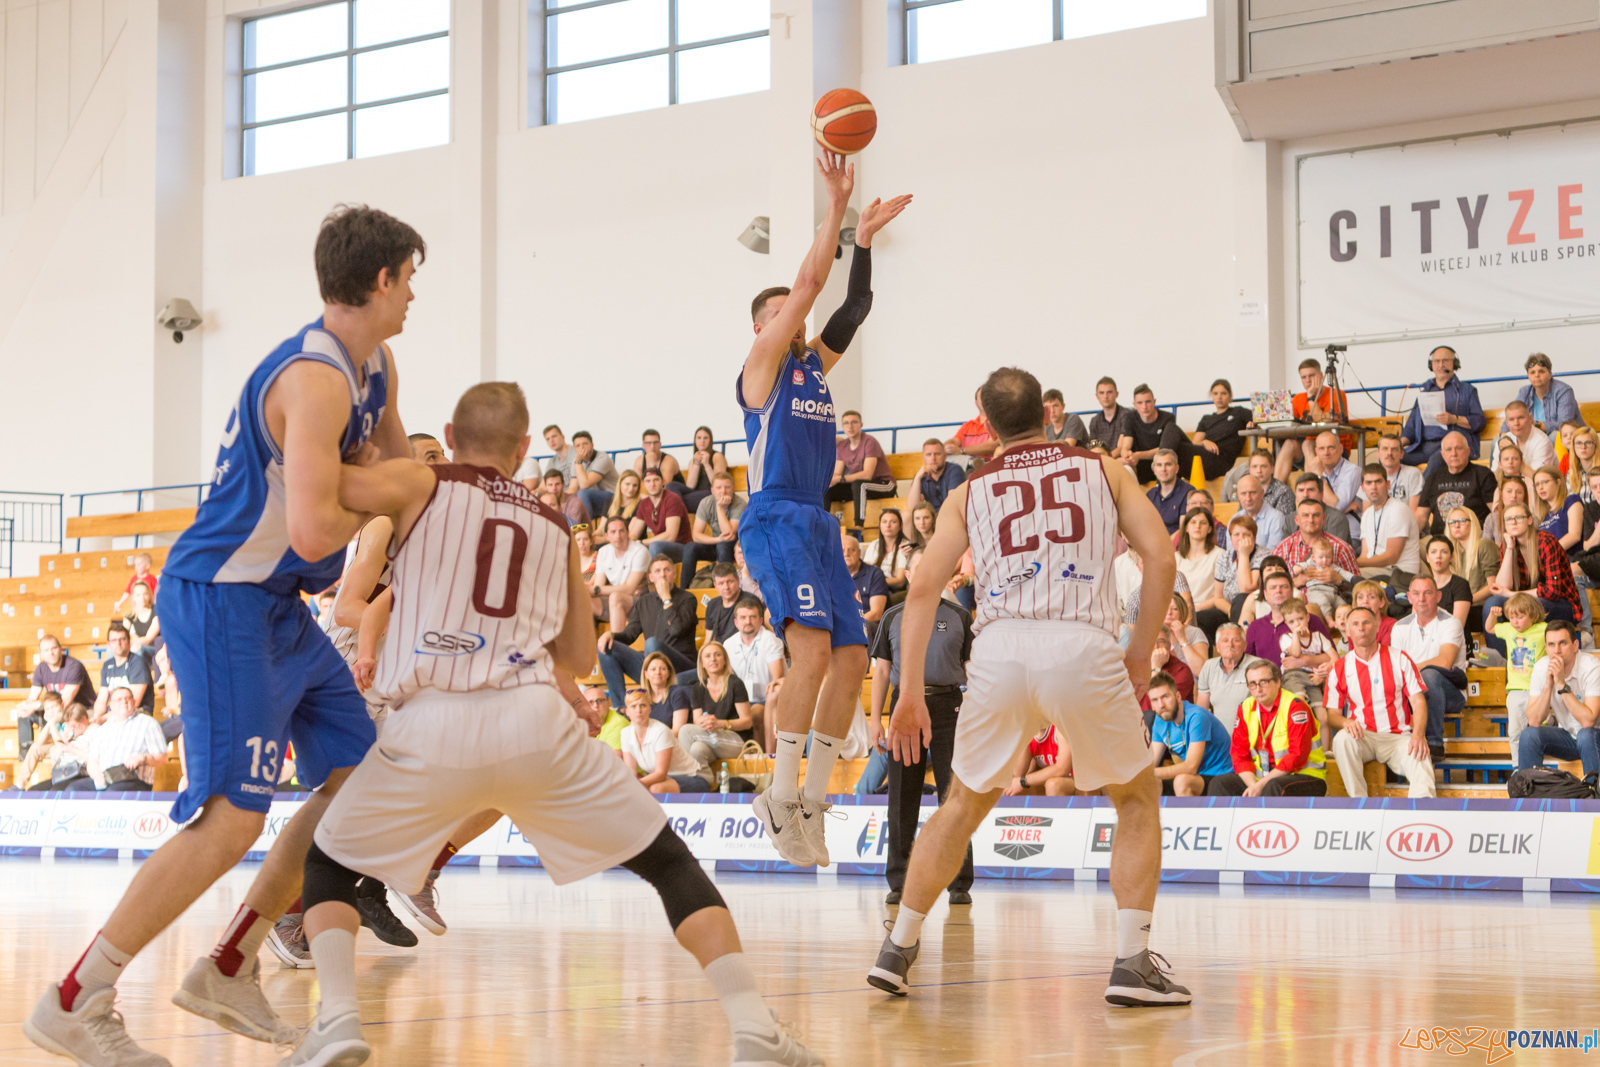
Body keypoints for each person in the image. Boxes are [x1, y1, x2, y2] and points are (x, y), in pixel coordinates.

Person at [276, 381, 819, 1067]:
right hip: (533, 717)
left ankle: (340, 1021)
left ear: (449, 432)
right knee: (669, 864)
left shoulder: (420, 483)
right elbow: (576, 656)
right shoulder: (555, 523)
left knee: (327, 862)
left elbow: (329, 492)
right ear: (526, 448)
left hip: (432, 716)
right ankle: (754, 1030)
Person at [25, 205, 422, 1065]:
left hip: (279, 601)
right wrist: (390, 486)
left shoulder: (377, 363)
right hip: (222, 595)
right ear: (382, 278)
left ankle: (230, 962)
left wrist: (401, 488)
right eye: (410, 278)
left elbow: (402, 479)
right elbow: (326, 527)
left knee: (361, 780)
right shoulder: (312, 379)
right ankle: (73, 996)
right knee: (231, 817)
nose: (413, 295)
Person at [866, 366, 1190, 1008]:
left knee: (960, 806)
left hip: (1002, 646)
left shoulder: (969, 488)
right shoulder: (1105, 468)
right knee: (1135, 799)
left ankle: (897, 948)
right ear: (1048, 413)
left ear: (983, 420)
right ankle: (1132, 962)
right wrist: (1135, 653)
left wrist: (906, 695)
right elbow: (1160, 556)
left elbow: (924, 589)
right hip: (1081, 641)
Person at [736, 155, 909, 867]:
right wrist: (836, 206)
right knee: (807, 652)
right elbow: (810, 284)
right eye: (779, 315)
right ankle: (776, 796)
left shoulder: (813, 367)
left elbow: (853, 307)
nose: (794, 316)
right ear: (762, 328)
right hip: (774, 515)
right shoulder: (761, 370)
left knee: (851, 657)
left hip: (816, 518)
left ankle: (811, 799)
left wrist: (862, 242)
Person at [867, 567, 974, 906]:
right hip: (905, 708)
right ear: (910, 574)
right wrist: (875, 719)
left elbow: (972, 669)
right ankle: (899, 880)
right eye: (921, 568)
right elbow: (881, 669)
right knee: (901, 795)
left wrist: (975, 714)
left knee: (954, 796)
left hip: (949, 706)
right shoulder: (892, 616)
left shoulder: (959, 616)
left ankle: (959, 882)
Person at [1326, 607, 1436, 798]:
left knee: (1420, 751)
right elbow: (1332, 715)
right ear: (1348, 631)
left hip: (1398, 737)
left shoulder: (1399, 658)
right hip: (1363, 736)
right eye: (1356, 624)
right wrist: (1345, 723)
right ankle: (1360, 805)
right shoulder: (1338, 668)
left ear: (1377, 627)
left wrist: (1418, 735)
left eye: (1367, 622)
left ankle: (1423, 812)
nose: (1362, 628)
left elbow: (1418, 703)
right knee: (1342, 739)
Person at [1206, 660, 1327, 797]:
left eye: (1264, 682)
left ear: (1277, 682)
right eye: (1253, 684)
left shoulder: (1294, 706)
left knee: (1272, 786)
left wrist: (1261, 786)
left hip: (1305, 776)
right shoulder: (1245, 707)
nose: (1258, 689)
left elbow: (1296, 757)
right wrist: (1254, 786)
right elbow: (1239, 754)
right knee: (1219, 783)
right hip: (1263, 778)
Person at [596, 555, 700, 709]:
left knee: (651, 643)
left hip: (681, 663)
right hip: (651, 668)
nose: (662, 574)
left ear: (674, 574)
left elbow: (676, 630)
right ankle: (620, 707)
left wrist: (666, 598)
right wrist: (610, 635)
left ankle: (657, 697)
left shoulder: (688, 599)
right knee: (606, 647)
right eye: (657, 571)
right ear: (651, 577)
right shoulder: (644, 602)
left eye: (667, 570)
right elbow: (629, 635)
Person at [1389, 574, 1467, 761]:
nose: (1421, 599)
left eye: (1427, 593)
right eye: (1416, 593)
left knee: (1430, 675)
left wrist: (1412, 668)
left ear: (1438, 596)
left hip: (1450, 693)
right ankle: (1389, 748)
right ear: (1409, 597)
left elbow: (1445, 661)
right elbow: (1396, 669)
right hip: (1412, 692)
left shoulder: (1451, 622)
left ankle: (1434, 744)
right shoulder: (1399, 627)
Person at [1483, 503, 1583, 649]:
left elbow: (1552, 592)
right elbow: (1502, 587)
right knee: (1492, 604)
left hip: (1561, 605)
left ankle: (1533, 654)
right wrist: (1510, 548)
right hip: (1525, 602)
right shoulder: (1508, 545)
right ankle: (1499, 663)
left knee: (1535, 606)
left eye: (1518, 517)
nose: (1513, 522)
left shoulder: (1545, 541)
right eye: (1508, 519)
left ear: (1529, 520)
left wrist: (1511, 594)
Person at [1516, 621, 1600, 779]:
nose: (1557, 650)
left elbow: (1588, 722)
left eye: (1563, 643)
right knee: (1529, 735)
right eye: (1551, 644)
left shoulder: (1592, 667)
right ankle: (1529, 797)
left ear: (1575, 646)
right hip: (1569, 736)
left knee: (1585, 735)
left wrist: (1561, 684)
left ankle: (1594, 796)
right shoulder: (1541, 668)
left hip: (1595, 738)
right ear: (1546, 648)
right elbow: (1534, 720)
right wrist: (1548, 685)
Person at [1400, 346, 1485, 476]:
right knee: (1391, 456)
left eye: (1445, 360)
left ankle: (1421, 494)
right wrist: (1395, 445)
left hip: (1451, 448)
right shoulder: (1424, 392)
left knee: (1438, 459)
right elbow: (1411, 426)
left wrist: (1454, 419)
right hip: (1424, 447)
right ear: (1431, 365)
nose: (1441, 364)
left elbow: (1479, 421)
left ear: (1454, 363)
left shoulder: (1467, 390)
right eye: (1437, 361)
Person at [1147, 673, 1234, 796]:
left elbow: (1191, 767)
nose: (1161, 705)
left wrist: (1149, 773)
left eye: (1165, 697)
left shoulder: (1196, 716)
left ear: (1177, 696)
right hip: (1199, 776)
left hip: (1221, 776)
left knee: (1182, 781)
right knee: (1151, 783)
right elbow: (1151, 762)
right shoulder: (1160, 720)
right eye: (1155, 700)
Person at [1489, 594, 1548, 768]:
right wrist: (1493, 614)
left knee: (1538, 729)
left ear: (1533, 615)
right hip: (1514, 689)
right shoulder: (1508, 629)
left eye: (1520, 617)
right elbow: (1490, 628)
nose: (1515, 621)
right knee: (1515, 731)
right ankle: (1517, 767)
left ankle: (1538, 764)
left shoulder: (1543, 628)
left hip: (1537, 689)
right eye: (1512, 617)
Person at [15, 635, 98, 758]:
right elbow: (32, 697)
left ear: (60, 649)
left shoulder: (73, 666)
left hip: (78, 711)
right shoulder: (41, 669)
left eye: (54, 648)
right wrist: (25, 706)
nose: (51, 653)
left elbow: (65, 701)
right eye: (46, 650)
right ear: (41, 654)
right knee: (24, 714)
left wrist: (38, 705)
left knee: (52, 715)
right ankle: (26, 754)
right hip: (57, 711)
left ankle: (58, 750)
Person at [679, 641, 754, 775]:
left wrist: (722, 724)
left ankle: (684, 774)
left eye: (717, 655)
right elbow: (697, 720)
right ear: (702, 663)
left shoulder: (735, 683)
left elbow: (747, 722)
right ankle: (704, 780)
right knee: (697, 749)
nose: (712, 659)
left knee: (685, 731)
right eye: (707, 656)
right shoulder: (698, 687)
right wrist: (703, 722)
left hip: (737, 741)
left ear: (725, 660)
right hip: (710, 737)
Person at [1274, 359, 1352, 484]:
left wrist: (1311, 398)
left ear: (1321, 376)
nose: (1308, 380)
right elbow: (1286, 422)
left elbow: (1322, 420)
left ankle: (1313, 486)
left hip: (1334, 449)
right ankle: (1275, 490)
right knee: (1289, 443)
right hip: (1308, 452)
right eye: (1303, 377)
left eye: (1311, 376)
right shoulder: (1298, 399)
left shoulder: (1336, 394)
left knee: (1307, 443)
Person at [621, 688, 712, 793]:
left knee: (655, 789)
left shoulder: (661, 731)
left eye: (643, 705)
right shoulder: (625, 733)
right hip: (663, 779)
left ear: (650, 709)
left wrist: (635, 785)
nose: (638, 710)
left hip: (694, 777)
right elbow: (631, 771)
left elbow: (661, 773)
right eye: (633, 706)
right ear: (627, 711)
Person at [724, 597, 786, 752]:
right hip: (741, 701)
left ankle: (763, 758)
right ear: (736, 622)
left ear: (760, 620)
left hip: (769, 701)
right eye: (743, 618)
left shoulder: (770, 640)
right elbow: (727, 679)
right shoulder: (728, 644)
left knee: (756, 712)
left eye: (752, 617)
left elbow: (778, 678)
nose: (748, 621)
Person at [78, 687, 169, 792]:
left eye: (127, 698)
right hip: (104, 779)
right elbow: (93, 760)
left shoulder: (148, 723)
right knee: (74, 789)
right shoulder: (104, 728)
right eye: (119, 699)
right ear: (111, 705)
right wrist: (95, 773)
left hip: (133, 780)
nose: (124, 702)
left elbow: (162, 757)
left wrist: (143, 757)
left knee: (113, 793)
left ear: (134, 702)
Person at [1415, 433, 1498, 542]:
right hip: (1439, 540)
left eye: (1458, 448)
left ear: (1468, 451)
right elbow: (1421, 515)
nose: (1454, 453)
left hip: (1474, 538)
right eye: (1449, 449)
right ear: (1443, 454)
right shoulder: (1434, 477)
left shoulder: (1482, 474)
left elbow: (1496, 511)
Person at [1278, 497, 1358, 602]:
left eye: (1316, 515)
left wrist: (1339, 580)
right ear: (1297, 520)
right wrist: (1298, 581)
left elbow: (1360, 588)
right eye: (1305, 515)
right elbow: (1271, 587)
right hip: (1293, 611)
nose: (1311, 520)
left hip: (1332, 606)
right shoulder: (1282, 549)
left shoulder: (1342, 548)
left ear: (1324, 519)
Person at [826, 410, 897, 528]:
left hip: (884, 484)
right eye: (846, 423)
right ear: (842, 426)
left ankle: (859, 525)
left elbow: (867, 475)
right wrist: (832, 480)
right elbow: (837, 473)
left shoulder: (869, 442)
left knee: (860, 484)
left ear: (861, 425)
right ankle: (824, 524)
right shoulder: (842, 446)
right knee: (829, 489)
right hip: (860, 488)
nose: (850, 426)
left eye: (854, 422)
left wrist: (840, 478)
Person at [1198, 514, 1268, 633]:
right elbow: (1218, 597)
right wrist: (1231, 610)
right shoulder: (1224, 558)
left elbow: (1246, 589)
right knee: (1200, 619)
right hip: (1230, 610)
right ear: (1230, 538)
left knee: (1241, 599)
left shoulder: (1264, 556)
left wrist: (1244, 554)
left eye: (1246, 534)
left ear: (1254, 539)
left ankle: (1239, 647)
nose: (1241, 538)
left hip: (1255, 610)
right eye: (1236, 535)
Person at [1355, 464, 1420, 589]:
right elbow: (1365, 555)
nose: (1373, 487)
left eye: (1378, 481)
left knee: (1350, 576)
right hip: (1378, 570)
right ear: (1363, 488)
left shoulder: (1398, 509)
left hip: (1399, 574)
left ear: (1387, 484)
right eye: (1368, 483)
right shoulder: (1367, 514)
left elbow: (1391, 557)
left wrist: (1352, 563)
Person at [1195, 623, 1263, 734]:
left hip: (1251, 737)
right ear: (1217, 646)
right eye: (1225, 640)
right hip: (1220, 740)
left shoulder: (1258, 666)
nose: (1230, 645)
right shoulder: (1208, 666)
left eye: (1236, 640)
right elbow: (1201, 711)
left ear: (1245, 645)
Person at [16, 699, 94, 791]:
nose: (72, 729)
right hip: (63, 771)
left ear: (84, 719)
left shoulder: (93, 732)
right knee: (32, 791)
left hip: (79, 773)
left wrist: (71, 749)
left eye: (74, 726)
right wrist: (62, 743)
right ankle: (19, 785)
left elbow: (94, 759)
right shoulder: (70, 732)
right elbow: (55, 757)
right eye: (69, 725)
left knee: (54, 792)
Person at [1301, 431, 1362, 546]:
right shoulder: (1315, 470)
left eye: (1331, 448)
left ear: (1340, 449)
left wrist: (1319, 476)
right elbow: (1305, 507)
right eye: (1321, 449)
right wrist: (1344, 508)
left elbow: (1337, 507)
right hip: (1320, 536)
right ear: (1316, 452)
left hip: (1349, 537)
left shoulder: (1353, 471)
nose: (1326, 453)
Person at [684, 470, 745, 585]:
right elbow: (696, 535)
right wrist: (717, 540)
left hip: (734, 546)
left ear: (733, 489)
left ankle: (725, 584)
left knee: (723, 545)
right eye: (719, 488)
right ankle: (685, 590)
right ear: (712, 490)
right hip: (717, 542)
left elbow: (728, 534)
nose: (723, 491)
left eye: (727, 487)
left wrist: (720, 508)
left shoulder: (739, 503)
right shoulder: (705, 502)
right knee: (690, 548)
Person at [1445, 506, 1500, 629]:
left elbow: (1493, 585)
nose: (1456, 525)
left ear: (1472, 522)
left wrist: (1465, 601)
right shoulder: (1452, 552)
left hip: (1481, 606)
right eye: (1452, 522)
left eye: (1462, 521)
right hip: (1463, 606)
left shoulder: (1484, 545)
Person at [592, 515, 649, 632]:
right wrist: (591, 590)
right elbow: (598, 584)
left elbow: (629, 588)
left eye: (621, 531)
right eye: (613, 532)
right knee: (583, 598)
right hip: (615, 602)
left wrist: (597, 589)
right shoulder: (603, 552)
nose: (618, 536)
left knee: (616, 597)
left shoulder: (640, 551)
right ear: (606, 536)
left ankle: (617, 647)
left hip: (640, 603)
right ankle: (586, 647)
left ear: (627, 533)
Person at [1191, 379, 1252, 483]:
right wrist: (1204, 442)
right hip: (1202, 458)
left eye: (1223, 393)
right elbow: (1194, 443)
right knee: (1173, 433)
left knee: (1173, 432)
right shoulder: (1206, 419)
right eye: (1215, 393)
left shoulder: (1239, 412)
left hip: (1221, 460)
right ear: (1212, 396)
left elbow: (1260, 420)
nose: (1219, 397)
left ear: (1230, 396)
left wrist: (1252, 424)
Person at [1128, 385, 1191, 484]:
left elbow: (1165, 449)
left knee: (1169, 458)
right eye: (1140, 403)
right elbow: (1124, 445)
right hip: (1141, 466)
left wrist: (1138, 455)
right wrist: (1128, 455)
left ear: (1154, 402)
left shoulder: (1168, 418)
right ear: (1134, 405)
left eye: (1148, 401)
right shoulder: (1129, 418)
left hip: (1163, 464)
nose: (1144, 406)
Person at [632, 468, 693, 569]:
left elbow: (670, 536)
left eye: (656, 480)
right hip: (659, 546)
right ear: (643, 484)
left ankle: (657, 582)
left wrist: (642, 543)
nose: (652, 484)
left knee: (655, 546)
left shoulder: (672, 499)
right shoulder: (644, 504)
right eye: (648, 481)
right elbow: (634, 533)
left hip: (682, 548)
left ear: (663, 482)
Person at [94, 623, 156, 722]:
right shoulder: (107, 666)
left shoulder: (138, 663)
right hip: (113, 715)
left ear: (129, 642)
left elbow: (133, 703)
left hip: (136, 714)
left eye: (122, 639)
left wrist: (104, 719)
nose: (118, 643)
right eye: (114, 640)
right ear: (108, 644)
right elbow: (101, 699)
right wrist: (96, 717)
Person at [1174, 509, 1221, 639]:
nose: (1197, 526)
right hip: (1179, 611)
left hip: (1208, 611)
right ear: (1186, 528)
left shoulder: (1219, 555)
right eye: (1193, 522)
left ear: (1210, 529)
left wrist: (1194, 610)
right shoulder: (1175, 558)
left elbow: (1221, 595)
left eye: (1203, 523)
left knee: (1199, 619)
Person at [1001, 725, 1075, 795]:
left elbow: (1062, 769)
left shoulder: (1059, 729)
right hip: (1050, 780)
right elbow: (1017, 775)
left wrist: (1023, 781)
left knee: (1053, 785)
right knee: (1009, 788)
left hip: (1076, 779)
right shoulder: (1031, 733)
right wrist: (1024, 737)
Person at [1518, 352, 1581, 433]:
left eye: (1541, 371)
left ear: (1550, 374)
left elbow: (1565, 425)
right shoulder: (1524, 392)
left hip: (1567, 436)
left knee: (1555, 436)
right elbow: (1512, 415)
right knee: (1498, 440)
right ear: (1528, 376)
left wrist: (1537, 425)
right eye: (1532, 372)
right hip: (1536, 436)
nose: (1536, 375)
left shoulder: (1564, 391)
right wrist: (1504, 435)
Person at [843, 534, 889, 643]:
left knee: (865, 626)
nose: (846, 554)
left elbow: (876, 613)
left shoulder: (874, 574)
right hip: (841, 625)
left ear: (859, 553)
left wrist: (851, 625)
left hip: (867, 625)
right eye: (842, 550)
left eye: (851, 550)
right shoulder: (831, 575)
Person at [1224, 449, 1295, 520]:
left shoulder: (1284, 492)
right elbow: (1241, 520)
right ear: (1250, 470)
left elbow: (1283, 525)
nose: (1259, 471)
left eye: (1263, 466)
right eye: (1255, 466)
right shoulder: (1246, 491)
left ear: (1272, 469)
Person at [1490, 401, 1556, 475]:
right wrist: (1502, 460)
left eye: (1520, 418)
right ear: (1507, 422)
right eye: (1511, 419)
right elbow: (1495, 477)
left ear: (1530, 418)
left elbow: (1539, 479)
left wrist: (1515, 453)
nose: (1516, 423)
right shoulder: (1503, 442)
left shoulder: (1542, 442)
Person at [905, 438, 965, 515]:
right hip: (930, 519)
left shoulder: (955, 470)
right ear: (924, 458)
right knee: (907, 516)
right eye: (929, 455)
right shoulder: (921, 475)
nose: (933, 458)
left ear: (945, 456)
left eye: (937, 454)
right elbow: (912, 508)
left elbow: (953, 503)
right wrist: (917, 478)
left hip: (950, 515)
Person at [568, 431, 620, 519]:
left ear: (592, 445)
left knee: (582, 493)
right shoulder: (576, 462)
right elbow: (573, 488)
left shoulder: (602, 458)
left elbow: (585, 485)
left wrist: (578, 462)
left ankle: (585, 530)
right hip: (592, 500)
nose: (582, 447)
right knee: (567, 501)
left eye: (585, 444)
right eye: (578, 446)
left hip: (613, 498)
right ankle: (574, 531)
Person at [1423, 536, 1473, 628]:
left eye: (1444, 552)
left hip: (1452, 639)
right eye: (1433, 552)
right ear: (1427, 557)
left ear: (1451, 557)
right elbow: (1415, 621)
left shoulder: (1461, 585)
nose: (1438, 556)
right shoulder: (1423, 585)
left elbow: (1457, 626)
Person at [862, 507, 912, 598]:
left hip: (895, 591)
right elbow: (866, 573)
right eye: (884, 522)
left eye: (893, 522)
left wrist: (875, 581)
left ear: (901, 526)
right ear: (880, 525)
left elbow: (900, 581)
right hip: (875, 588)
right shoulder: (874, 545)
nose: (888, 526)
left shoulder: (905, 546)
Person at [681, 425, 729, 516]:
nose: (702, 441)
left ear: (710, 440)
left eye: (705, 438)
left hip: (713, 495)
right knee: (673, 487)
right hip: (697, 497)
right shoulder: (692, 461)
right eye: (699, 438)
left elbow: (719, 484)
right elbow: (690, 486)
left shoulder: (717, 456)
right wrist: (697, 464)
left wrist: (707, 464)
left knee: (677, 502)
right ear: (695, 440)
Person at [1231, 474, 1287, 550]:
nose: (1248, 498)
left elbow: (1273, 554)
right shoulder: (1234, 519)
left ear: (1262, 493)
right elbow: (1231, 553)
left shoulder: (1276, 518)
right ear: (1238, 495)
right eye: (1243, 493)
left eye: (1252, 493)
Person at [1486, 454, 1533, 545]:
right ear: (1501, 496)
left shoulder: (1531, 518)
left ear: (1524, 496)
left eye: (1519, 492)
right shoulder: (1492, 518)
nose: (1514, 496)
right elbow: (1486, 547)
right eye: (1509, 491)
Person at [1145, 449, 1195, 534]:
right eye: (1159, 465)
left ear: (1176, 468)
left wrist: (1165, 545)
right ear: (1154, 469)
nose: (1163, 469)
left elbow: (1184, 531)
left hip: (1176, 545)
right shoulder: (1150, 495)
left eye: (1168, 464)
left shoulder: (1188, 492)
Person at [1087, 376, 1136, 461]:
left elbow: (1121, 447)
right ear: (1097, 396)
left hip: (1123, 462)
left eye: (1109, 392)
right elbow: (1094, 448)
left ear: (1116, 394)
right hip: (1103, 462)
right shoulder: (1094, 421)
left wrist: (1106, 461)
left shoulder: (1127, 415)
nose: (1105, 396)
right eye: (1101, 393)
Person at [945, 388, 997, 461]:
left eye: (988, 397)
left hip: (987, 466)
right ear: (976, 402)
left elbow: (991, 446)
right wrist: (946, 447)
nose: (985, 400)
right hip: (965, 465)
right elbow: (954, 441)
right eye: (982, 397)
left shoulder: (998, 423)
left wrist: (961, 451)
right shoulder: (967, 426)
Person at [1373, 433, 1425, 505]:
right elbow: (1366, 511)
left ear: (1401, 454)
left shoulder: (1413, 474)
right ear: (1378, 453)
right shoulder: (1370, 476)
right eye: (1385, 449)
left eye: (1394, 449)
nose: (1389, 453)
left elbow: (1414, 513)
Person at [702, 563, 746, 644]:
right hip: (719, 653)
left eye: (729, 581)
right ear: (715, 585)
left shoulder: (749, 602)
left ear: (738, 580)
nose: (726, 587)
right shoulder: (712, 604)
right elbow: (709, 639)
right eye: (721, 583)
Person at [631, 428, 685, 492]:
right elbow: (634, 484)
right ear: (643, 446)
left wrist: (652, 464)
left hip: (675, 495)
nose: (652, 446)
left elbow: (663, 487)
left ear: (660, 445)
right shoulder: (639, 461)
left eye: (655, 443)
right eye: (648, 443)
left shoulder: (668, 461)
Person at [122, 581, 160, 658]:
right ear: (133, 597)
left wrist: (132, 642)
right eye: (138, 595)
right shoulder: (129, 615)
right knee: (113, 647)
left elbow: (148, 639)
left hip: (154, 650)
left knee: (135, 648)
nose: (142, 598)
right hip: (135, 646)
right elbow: (122, 635)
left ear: (149, 595)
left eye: (145, 594)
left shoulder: (156, 612)